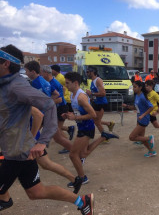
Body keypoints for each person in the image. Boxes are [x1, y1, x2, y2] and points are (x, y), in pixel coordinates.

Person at [0, 44, 93, 214]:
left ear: (6, 63)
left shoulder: (17, 86)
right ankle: (82, 200)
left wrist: (41, 141)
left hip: (17, 152)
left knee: (54, 154)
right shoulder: (7, 84)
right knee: (37, 192)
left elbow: (48, 104)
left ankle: (76, 178)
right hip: (18, 149)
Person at [63, 72, 119, 187]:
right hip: (82, 127)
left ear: (75, 83)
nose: (66, 85)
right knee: (83, 154)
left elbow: (93, 114)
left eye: (67, 83)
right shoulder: (73, 95)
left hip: (87, 128)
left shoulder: (80, 97)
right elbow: (79, 111)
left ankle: (82, 178)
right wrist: (69, 114)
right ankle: (103, 137)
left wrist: (75, 117)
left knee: (73, 155)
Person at [40, 65, 73, 154]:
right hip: (58, 108)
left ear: (46, 73)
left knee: (57, 130)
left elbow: (60, 99)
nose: (40, 75)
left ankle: (69, 147)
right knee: (57, 130)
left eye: (41, 73)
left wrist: (47, 103)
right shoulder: (51, 82)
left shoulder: (54, 83)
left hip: (61, 108)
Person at [122, 81, 156, 157]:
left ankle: (149, 138)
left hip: (143, 119)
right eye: (133, 87)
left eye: (135, 87)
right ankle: (151, 151)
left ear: (140, 87)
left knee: (132, 137)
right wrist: (126, 106)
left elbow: (151, 107)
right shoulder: (137, 95)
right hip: (139, 118)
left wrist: (143, 115)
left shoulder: (143, 97)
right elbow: (135, 107)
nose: (133, 88)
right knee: (141, 138)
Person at [85, 66, 115, 134]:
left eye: (87, 72)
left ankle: (105, 136)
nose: (86, 74)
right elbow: (96, 94)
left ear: (92, 72)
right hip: (96, 103)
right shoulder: (93, 81)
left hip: (101, 103)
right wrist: (91, 98)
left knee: (96, 122)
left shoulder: (98, 80)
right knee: (94, 119)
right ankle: (109, 124)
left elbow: (103, 93)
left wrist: (91, 93)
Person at [51, 64, 75, 143]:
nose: (51, 71)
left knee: (58, 126)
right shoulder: (58, 77)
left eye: (51, 70)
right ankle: (69, 129)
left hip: (65, 100)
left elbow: (63, 88)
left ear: (54, 70)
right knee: (56, 125)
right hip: (64, 100)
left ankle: (67, 142)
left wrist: (62, 95)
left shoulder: (59, 78)